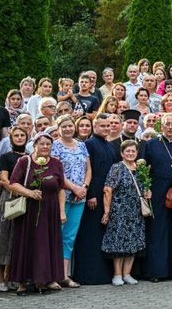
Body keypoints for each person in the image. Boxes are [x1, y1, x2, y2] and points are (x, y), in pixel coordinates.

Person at [8, 132, 66, 295]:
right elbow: (13, 184)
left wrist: (62, 211)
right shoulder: (24, 161)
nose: (45, 147)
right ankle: (22, 282)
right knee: (26, 244)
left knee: (46, 245)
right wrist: (29, 192)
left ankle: (43, 280)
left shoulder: (56, 163)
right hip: (29, 211)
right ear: (34, 145)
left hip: (50, 210)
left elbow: (61, 189)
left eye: (48, 144)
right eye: (42, 143)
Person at [72, 114, 119, 285]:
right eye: (103, 126)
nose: (106, 128)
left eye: (108, 126)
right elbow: (86, 170)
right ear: (95, 126)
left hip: (108, 193)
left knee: (103, 232)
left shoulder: (111, 146)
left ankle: (102, 273)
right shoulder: (88, 144)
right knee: (89, 233)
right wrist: (90, 193)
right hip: (94, 194)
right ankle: (87, 274)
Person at [140, 112, 172, 281]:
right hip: (157, 189)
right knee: (157, 229)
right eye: (167, 123)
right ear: (161, 125)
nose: (170, 126)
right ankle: (155, 271)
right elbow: (143, 169)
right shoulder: (151, 144)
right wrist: (145, 188)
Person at [51, 115, 91, 288]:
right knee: (56, 234)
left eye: (70, 126)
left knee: (69, 236)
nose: (68, 129)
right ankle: (52, 274)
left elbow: (88, 168)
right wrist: (74, 188)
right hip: (62, 196)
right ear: (58, 128)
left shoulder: (82, 145)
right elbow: (57, 173)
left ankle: (64, 275)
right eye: (64, 126)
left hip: (80, 197)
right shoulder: (55, 146)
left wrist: (84, 187)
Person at [101, 140, 148, 286]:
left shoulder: (140, 168)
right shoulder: (117, 168)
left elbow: (144, 188)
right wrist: (107, 211)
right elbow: (108, 189)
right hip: (119, 210)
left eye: (133, 151)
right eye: (127, 151)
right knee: (118, 242)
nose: (131, 153)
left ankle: (127, 273)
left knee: (133, 241)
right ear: (122, 153)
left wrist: (148, 193)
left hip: (136, 211)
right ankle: (117, 274)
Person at [0, 127, 27, 292]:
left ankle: (11, 276)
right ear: (11, 139)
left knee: (18, 239)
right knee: (3, 236)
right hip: (10, 198)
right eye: (16, 136)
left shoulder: (30, 157)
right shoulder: (6, 157)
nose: (19, 138)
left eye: (22, 135)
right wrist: (17, 190)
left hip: (28, 199)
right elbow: (4, 179)